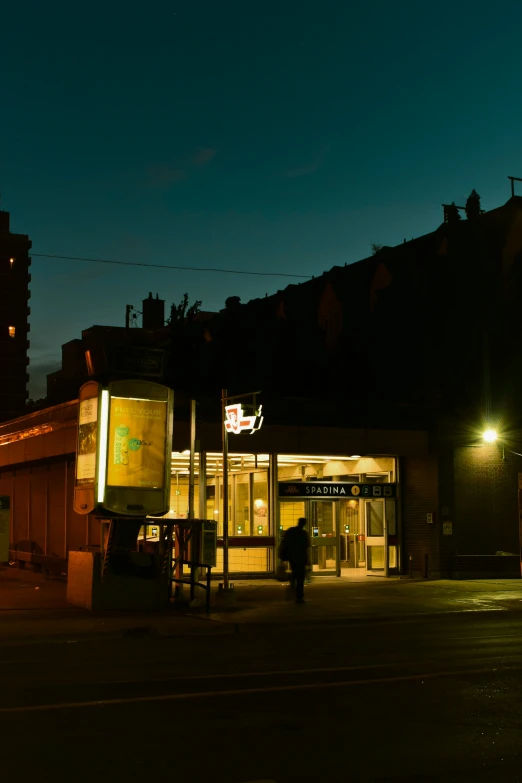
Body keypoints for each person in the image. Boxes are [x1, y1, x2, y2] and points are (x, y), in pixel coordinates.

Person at [279, 517, 310, 603]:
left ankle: (292, 586)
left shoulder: (291, 531)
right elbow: (306, 548)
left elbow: (284, 543)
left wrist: (283, 557)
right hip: (301, 559)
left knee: (295, 573)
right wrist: (308, 561)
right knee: (300, 578)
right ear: (304, 524)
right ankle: (299, 596)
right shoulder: (304, 534)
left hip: (292, 558)